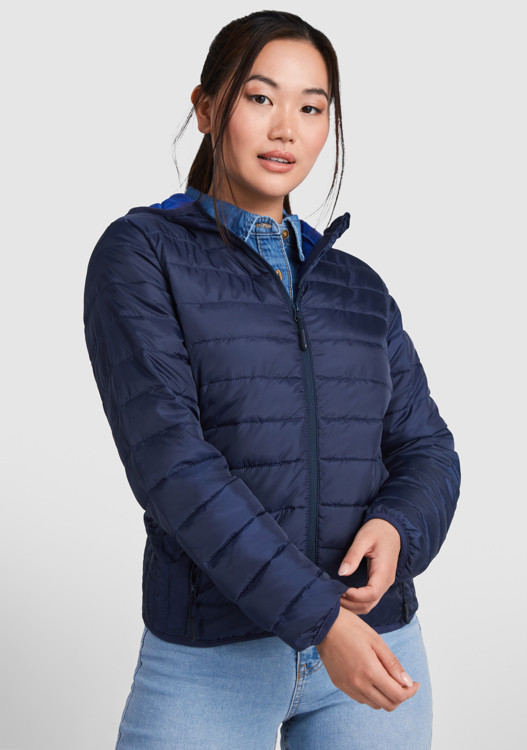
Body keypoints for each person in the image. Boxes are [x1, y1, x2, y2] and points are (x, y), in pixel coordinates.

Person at [83, 10, 461, 750]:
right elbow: (172, 466)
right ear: (206, 108)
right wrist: (319, 620)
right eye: (260, 98)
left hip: (375, 650)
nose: (286, 128)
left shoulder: (357, 287)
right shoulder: (141, 255)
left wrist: (397, 528)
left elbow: (427, 449)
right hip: (211, 663)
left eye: (312, 108)